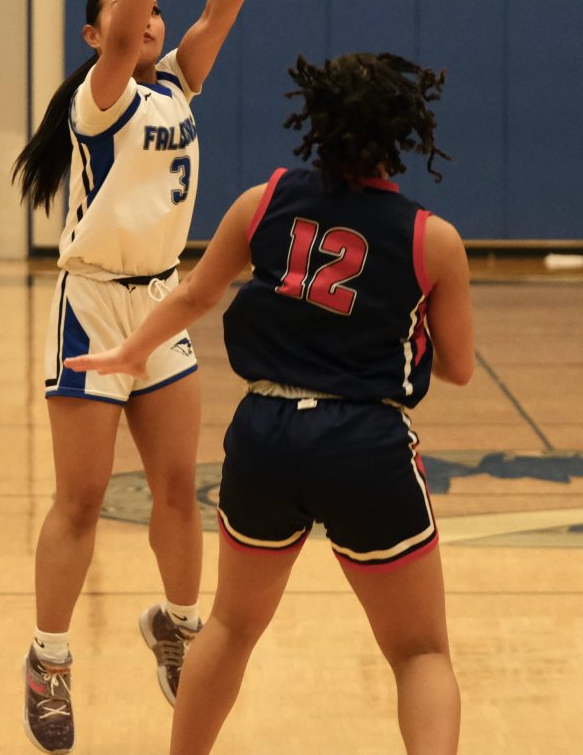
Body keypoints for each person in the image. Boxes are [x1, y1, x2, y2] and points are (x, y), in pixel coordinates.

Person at [65, 50, 475, 755]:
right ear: (405, 132)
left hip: (266, 433)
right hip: (365, 442)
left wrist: (129, 353)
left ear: (315, 122)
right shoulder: (432, 240)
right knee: (420, 653)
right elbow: (460, 368)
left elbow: (193, 295)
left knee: (229, 627)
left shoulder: (263, 201)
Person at [12, 0, 270, 754]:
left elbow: (217, 19)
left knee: (177, 487)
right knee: (82, 498)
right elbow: (127, 37)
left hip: (160, 302)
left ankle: (178, 626)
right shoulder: (102, 96)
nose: (149, 17)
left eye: (156, 6)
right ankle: (49, 660)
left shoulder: (176, 87)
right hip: (92, 303)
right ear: (95, 37)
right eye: (131, 9)